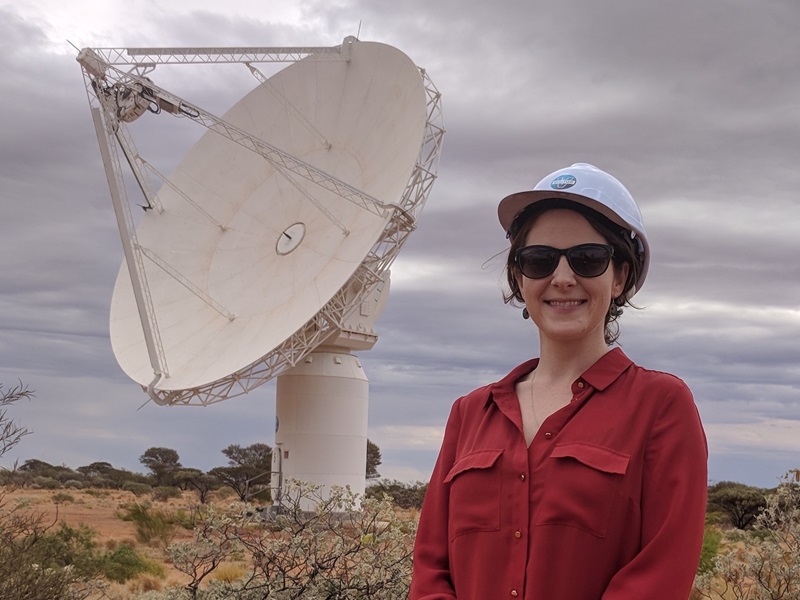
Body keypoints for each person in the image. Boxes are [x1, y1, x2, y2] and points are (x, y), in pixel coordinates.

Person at [409, 163, 708, 600]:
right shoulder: (470, 414)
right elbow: (431, 568)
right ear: (519, 278)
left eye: (588, 259)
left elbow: (659, 576)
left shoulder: (661, 406)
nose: (563, 277)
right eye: (539, 260)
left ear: (620, 276)